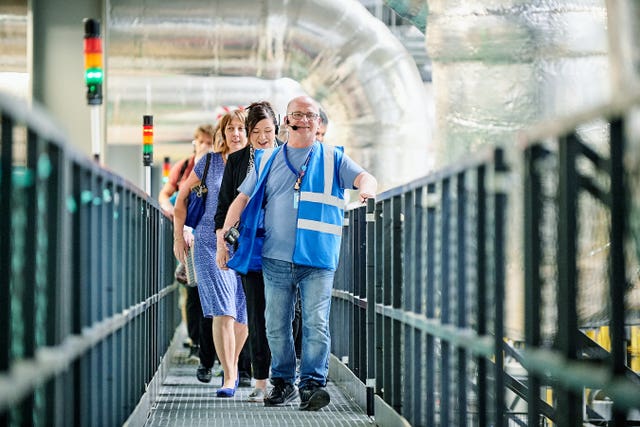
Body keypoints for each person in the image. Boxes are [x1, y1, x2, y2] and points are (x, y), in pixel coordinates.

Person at [218, 95, 377, 411]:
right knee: (275, 324)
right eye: (297, 114)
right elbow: (241, 200)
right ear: (286, 121)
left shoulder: (333, 158)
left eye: (310, 115)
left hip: (318, 259)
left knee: (316, 323)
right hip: (275, 258)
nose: (303, 119)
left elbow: (364, 177)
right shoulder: (268, 160)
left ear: (318, 122)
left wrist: (367, 191)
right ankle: (282, 382)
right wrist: (224, 237)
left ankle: (312, 386)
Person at [174, 109, 249, 398]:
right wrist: (178, 235)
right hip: (208, 241)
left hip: (245, 244)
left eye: (241, 128)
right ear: (223, 133)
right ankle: (229, 376)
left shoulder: (257, 163)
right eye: (230, 129)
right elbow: (181, 198)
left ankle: (230, 364)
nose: (236, 134)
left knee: (242, 312)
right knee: (224, 310)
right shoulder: (209, 163)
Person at [214, 100, 282, 402]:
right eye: (256, 131)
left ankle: (286, 378)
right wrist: (223, 243)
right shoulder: (238, 161)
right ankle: (261, 381)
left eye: (268, 130)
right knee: (255, 313)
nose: (262, 137)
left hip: (284, 245)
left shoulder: (287, 155)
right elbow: (227, 203)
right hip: (251, 245)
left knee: (285, 316)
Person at [158, 125, 216, 362]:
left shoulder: (220, 166)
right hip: (189, 238)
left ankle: (211, 348)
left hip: (210, 237)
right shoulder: (184, 167)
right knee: (192, 290)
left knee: (209, 292)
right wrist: (173, 214)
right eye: (201, 141)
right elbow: (167, 194)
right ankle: (198, 342)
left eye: (209, 142)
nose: (205, 146)